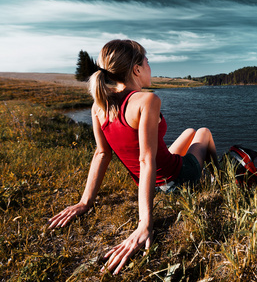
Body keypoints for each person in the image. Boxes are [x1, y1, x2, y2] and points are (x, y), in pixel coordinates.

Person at [47, 39, 217, 275]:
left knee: (188, 132)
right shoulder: (148, 100)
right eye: (147, 63)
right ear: (136, 69)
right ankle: (217, 177)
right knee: (203, 133)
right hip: (176, 180)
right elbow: (146, 160)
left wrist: (85, 202)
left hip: (149, 181)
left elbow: (101, 153)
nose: (150, 68)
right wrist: (144, 225)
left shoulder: (99, 106)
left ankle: (208, 171)